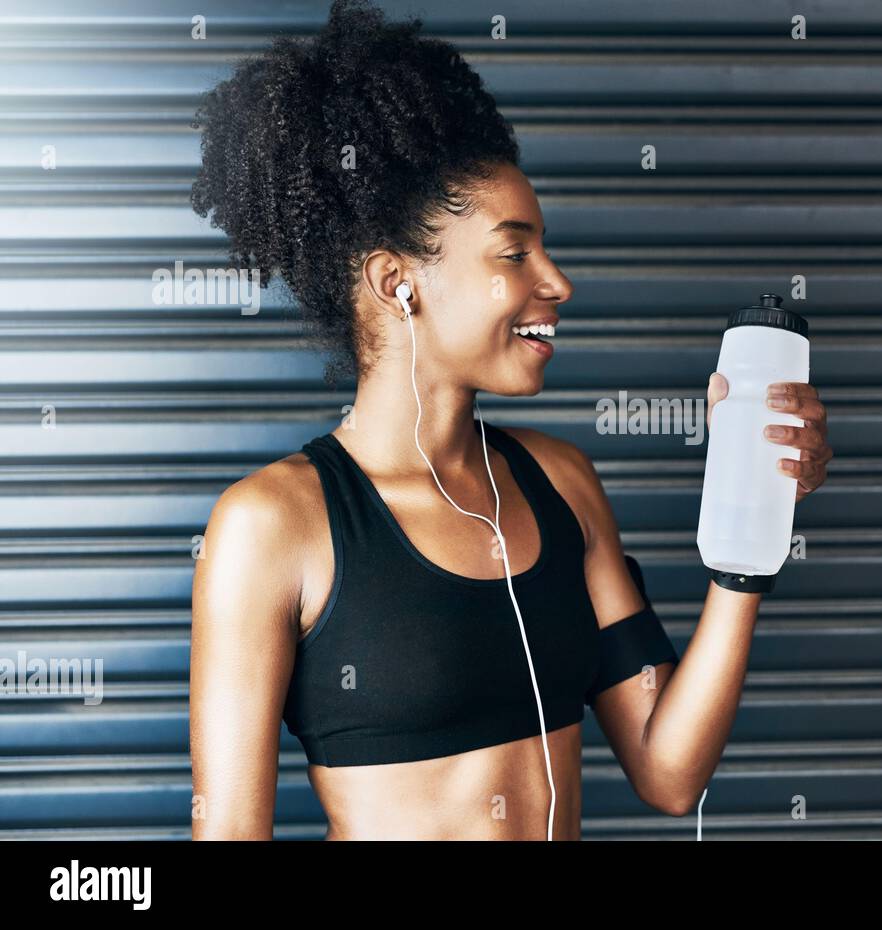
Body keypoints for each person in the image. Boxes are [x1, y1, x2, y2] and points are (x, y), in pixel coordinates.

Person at [187, 0, 832, 840]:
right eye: (514, 252)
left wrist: (750, 525)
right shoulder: (273, 526)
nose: (557, 282)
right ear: (396, 283)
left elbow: (669, 773)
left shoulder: (560, 482)